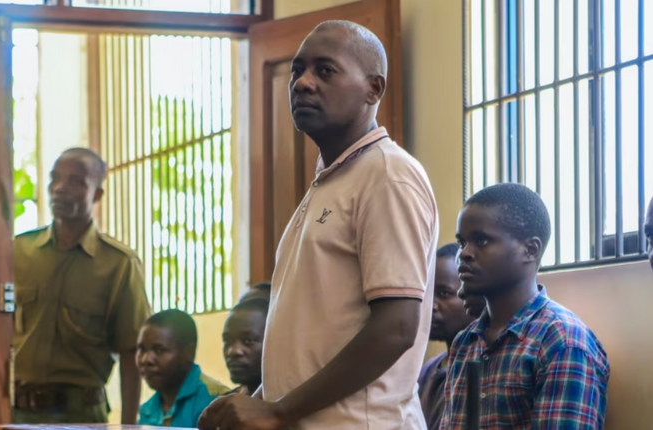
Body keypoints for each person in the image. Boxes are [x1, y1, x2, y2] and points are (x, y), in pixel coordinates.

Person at [199, 20, 438, 430]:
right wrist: (260, 402)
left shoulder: (387, 175)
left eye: (325, 70)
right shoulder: (330, 183)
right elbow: (321, 336)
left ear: (373, 89)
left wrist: (278, 411)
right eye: (297, 70)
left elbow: (397, 326)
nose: (303, 83)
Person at [440, 183, 610, 429]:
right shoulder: (465, 343)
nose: (464, 253)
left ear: (530, 250)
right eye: (462, 242)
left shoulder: (562, 342)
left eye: (482, 241)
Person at [12, 148, 151, 424]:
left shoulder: (119, 263)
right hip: (19, 413)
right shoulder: (19, 252)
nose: (60, 189)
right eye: (55, 179)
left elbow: (130, 351)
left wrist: (129, 426)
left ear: (97, 194)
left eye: (76, 182)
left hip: (81, 415)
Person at [417, 243, 485, 430]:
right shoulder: (427, 371)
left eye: (444, 293)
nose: (431, 305)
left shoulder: (485, 369)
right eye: (427, 293)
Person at [136, 309, 230, 427]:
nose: (146, 360)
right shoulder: (147, 410)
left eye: (159, 350)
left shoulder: (215, 402)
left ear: (188, 353)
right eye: (142, 350)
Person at [222, 298, 269, 396]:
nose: (233, 351)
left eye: (248, 341)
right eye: (227, 341)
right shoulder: (224, 404)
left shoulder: (292, 406)